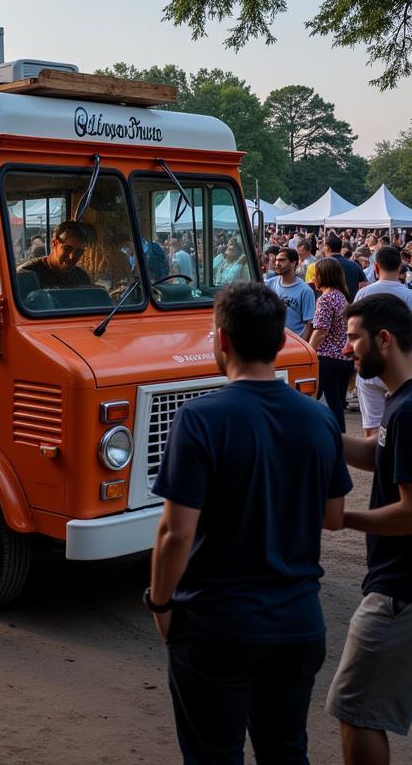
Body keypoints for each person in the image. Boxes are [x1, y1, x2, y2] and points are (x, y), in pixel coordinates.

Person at [149, 282, 350, 764]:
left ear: (221, 340)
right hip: (299, 623)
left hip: (218, 623)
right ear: (282, 341)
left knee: (213, 755)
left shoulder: (199, 419)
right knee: (286, 752)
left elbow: (176, 532)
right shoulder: (320, 419)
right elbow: (334, 517)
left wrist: (159, 602)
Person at [327, 295, 412, 765]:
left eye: (354, 338)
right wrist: (314, 429)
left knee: (356, 711)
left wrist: (342, 518)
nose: (346, 349)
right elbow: (373, 453)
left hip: (398, 590)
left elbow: (409, 513)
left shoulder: (408, 410)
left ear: (384, 339)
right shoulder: (402, 402)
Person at [353, 247, 412, 440]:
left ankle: (379, 467)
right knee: (402, 427)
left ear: (376, 267)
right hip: (401, 370)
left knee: (372, 430)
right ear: (400, 267)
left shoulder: (363, 294)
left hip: (371, 366)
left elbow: (354, 330)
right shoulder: (409, 296)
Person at [311, 255, 355, 433]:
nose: (313, 278)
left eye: (316, 274)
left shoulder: (325, 299)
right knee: (336, 403)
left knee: (312, 401)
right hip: (344, 359)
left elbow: (321, 331)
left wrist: (309, 351)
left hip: (327, 359)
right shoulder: (342, 297)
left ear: (323, 275)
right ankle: (340, 440)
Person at [17, 221, 94, 289]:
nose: (72, 256)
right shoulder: (27, 275)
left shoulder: (81, 277)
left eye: (79, 252)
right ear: (54, 243)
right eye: (68, 248)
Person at [266, 247, 316, 341]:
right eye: (276, 260)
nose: (277, 263)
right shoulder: (269, 284)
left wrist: (301, 347)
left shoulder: (305, 291)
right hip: (272, 342)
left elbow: (309, 324)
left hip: (294, 344)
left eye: (282, 260)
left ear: (293, 263)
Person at [326, 233, 368, 302]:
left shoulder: (322, 266)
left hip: (328, 307)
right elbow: (365, 285)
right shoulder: (354, 265)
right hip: (351, 306)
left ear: (327, 248)